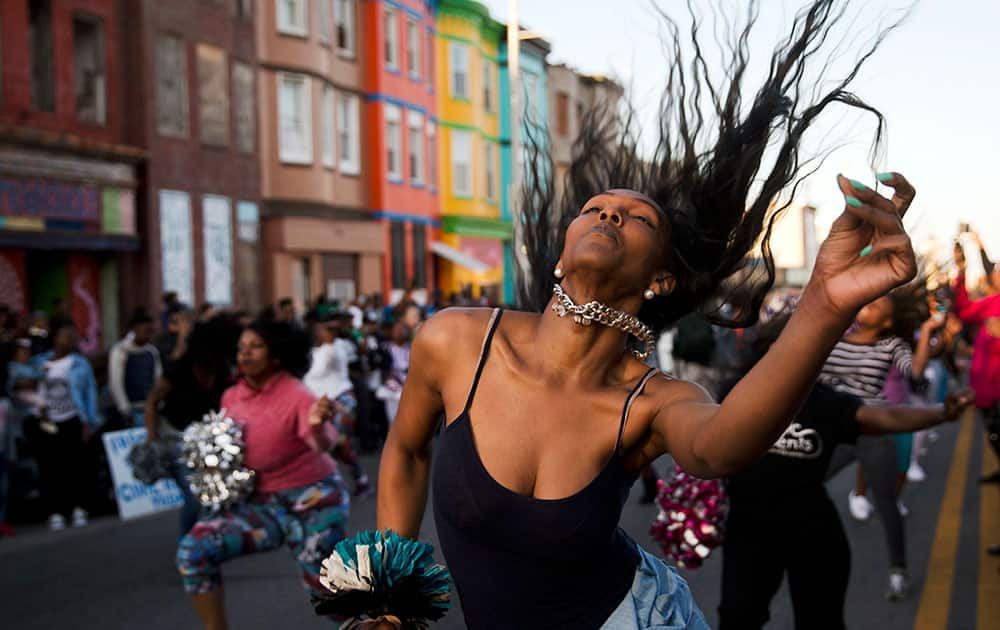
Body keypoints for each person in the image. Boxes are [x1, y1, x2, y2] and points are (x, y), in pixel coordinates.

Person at [374, 2, 916, 626]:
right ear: (561, 253)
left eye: (637, 218)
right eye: (595, 207)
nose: (609, 213)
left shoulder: (652, 402)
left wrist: (825, 302)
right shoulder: (457, 340)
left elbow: (721, 450)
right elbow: (408, 452)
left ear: (660, 278)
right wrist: (387, 597)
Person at [717, 313, 975, 630]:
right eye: (785, 348)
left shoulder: (828, 404)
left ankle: (897, 567)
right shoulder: (733, 392)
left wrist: (941, 413)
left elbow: (887, 419)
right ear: (768, 348)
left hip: (813, 534)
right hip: (749, 533)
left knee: (821, 621)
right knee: (737, 618)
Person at [176, 320, 350, 630]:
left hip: (314, 502)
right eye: (241, 348)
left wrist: (315, 423)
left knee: (329, 596)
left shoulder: (297, 394)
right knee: (194, 551)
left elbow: (322, 444)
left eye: (255, 347)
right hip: (261, 505)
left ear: (277, 355)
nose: (245, 354)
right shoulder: (231, 396)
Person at [818, 286, 944, 599]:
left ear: (887, 322)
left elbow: (915, 375)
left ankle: (898, 571)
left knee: (887, 503)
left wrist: (928, 331)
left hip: (872, 428)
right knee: (802, 486)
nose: (868, 305)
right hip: (834, 431)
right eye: (868, 300)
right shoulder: (834, 339)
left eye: (876, 305)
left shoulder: (891, 345)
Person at [145, 317, 237, 536]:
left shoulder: (222, 371)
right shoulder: (180, 367)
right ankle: (188, 544)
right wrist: (151, 437)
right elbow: (152, 401)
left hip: (208, 440)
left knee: (213, 498)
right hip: (176, 437)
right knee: (195, 497)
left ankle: (205, 544)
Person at [24, 323, 99, 531]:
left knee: (74, 465)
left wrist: (89, 420)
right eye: (66, 336)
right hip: (46, 421)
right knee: (50, 467)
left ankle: (78, 507)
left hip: (72, 418)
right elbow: (26, 387)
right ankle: (55, 511)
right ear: (55, 338)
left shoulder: (79, 364)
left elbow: (89, 392)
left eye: (73, 337)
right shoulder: (38, 362)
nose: (70, 340)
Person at [303, 316, 370, 496]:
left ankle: (359, 481)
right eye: (316, 330)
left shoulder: (336, 347)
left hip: (340, 401)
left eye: (322, 330)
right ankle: (345, 482)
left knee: (340, 442)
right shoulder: (311, 353)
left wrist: (330, 338)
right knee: (326, 446)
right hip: (320, 406)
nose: (318, 333)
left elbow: (332, 358)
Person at [952, 241, 1000, 484]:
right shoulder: (993, 303)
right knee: (993, 435)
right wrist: (961, 270)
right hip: (985, 392)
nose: (996, 274)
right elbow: (964, 310)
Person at [109, 309, 162, 428]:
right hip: (131, 410)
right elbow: (116, 383)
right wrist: (125, 410)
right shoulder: (121, 351)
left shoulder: (152, 351)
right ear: (135, 329)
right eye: (146, 331)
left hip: (150, 409)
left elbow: (157, 379)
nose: (149, 335)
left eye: (151, 332)